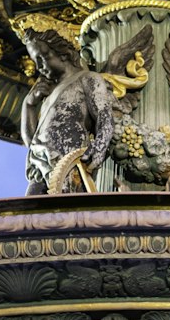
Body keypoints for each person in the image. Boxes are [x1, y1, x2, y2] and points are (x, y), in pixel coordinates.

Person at [19, 28, 115, 195]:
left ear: (62, 53)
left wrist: (99, 148)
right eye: (36, 61)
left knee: (69, 213)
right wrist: (28, 106)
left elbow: (104, 117)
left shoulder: (87, 78)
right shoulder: (48, 95)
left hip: (69, 162)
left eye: (43, 58)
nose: (39, 67)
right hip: (40, 165)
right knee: (29, 214)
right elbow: (31, 141)